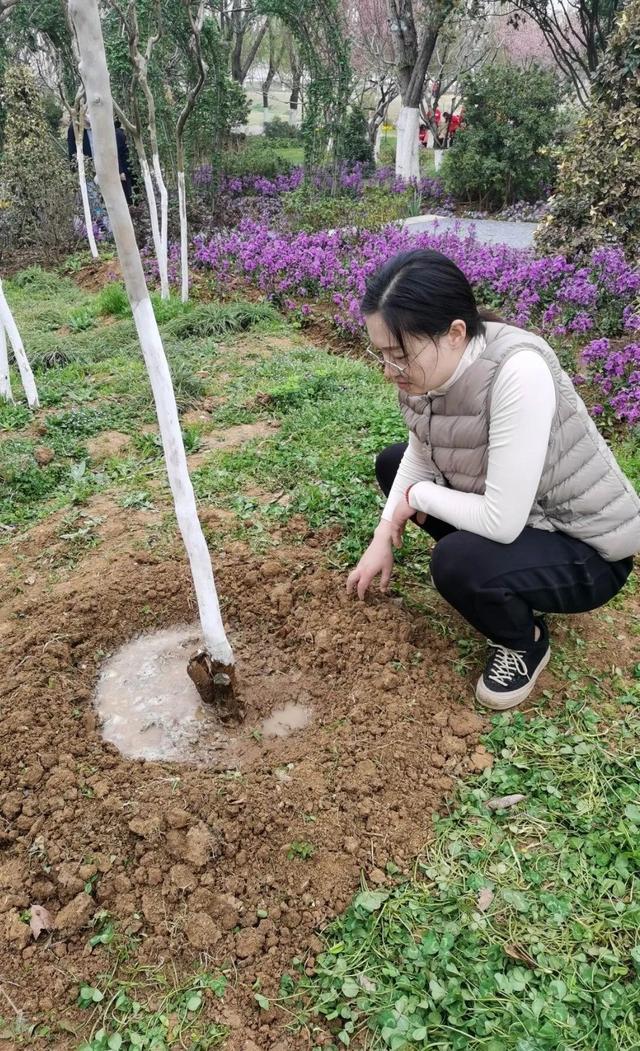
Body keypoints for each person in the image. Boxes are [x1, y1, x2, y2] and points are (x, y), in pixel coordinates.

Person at [347, 249, 640, 710]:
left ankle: (525, 641)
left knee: (456, 561)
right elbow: (420, 453)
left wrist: (417, 496)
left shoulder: (518, 372)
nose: (390, 371)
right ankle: (518, 579)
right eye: (381, 354)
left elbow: (502, 522)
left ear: (455, 333)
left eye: (399, 356)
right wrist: (385, 530)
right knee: (393, 463)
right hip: (530, 518)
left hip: (587, 548)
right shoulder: (431, 375)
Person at [114, 118, 134, 206]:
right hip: (125, 169)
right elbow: (117, 153)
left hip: (133, 168)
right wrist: (120, 171)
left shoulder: (130, 132)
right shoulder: (118, 134)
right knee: (128, 194)